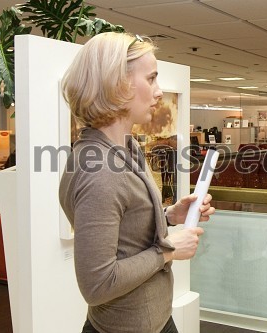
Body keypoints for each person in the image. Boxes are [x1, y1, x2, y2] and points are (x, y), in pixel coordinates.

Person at [59, 32, 215, 333]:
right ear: (117, 84)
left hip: (154, 319)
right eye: (151, 79)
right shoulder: (99, 170)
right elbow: (98, 283)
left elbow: (125, 230)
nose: (159, 92)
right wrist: (167, 251)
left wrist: (170, 215)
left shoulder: (125, 149)